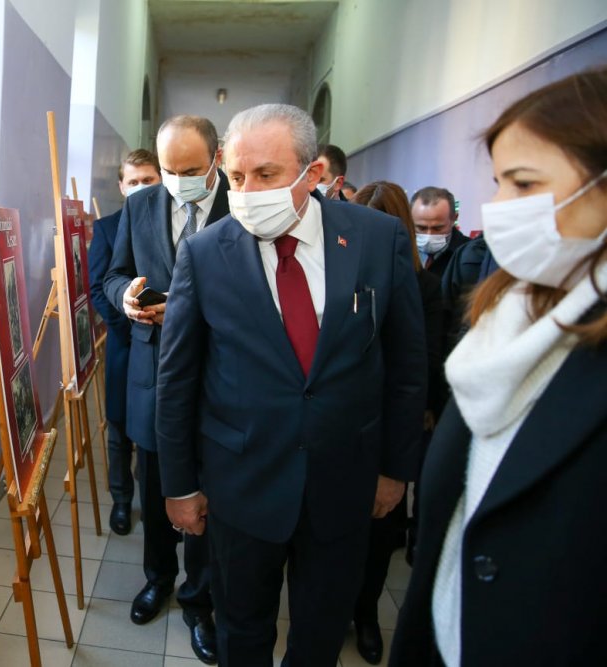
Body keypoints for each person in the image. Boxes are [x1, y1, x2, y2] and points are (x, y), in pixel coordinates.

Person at [157, 103, 426, 667]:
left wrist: (396, 469)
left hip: (344, 479)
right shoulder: (205, 254)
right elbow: (178, 377)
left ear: (314, 172)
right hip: (242, 483)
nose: (247, 191)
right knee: (242, 631)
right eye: (235, 177)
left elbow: (405, 365)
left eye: (266, 174)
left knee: (319, 634)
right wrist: (180, 485)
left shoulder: (377, 239)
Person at [390, 68, 607, 667]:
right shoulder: (509, 315)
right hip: (446, 626)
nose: (499, 207)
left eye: (524, 183)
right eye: (498, 183)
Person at [104, 115, 230, 664]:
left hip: (220, 377)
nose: (179, 181)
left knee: (206, 491)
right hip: (151, 373)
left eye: (192, 170)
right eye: (170, 170)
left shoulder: (241, 207)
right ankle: (157, 577)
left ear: (217, 159)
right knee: (156, 485)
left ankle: (199, 599)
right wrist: (126, 297)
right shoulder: (139, 207)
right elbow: (113, 274)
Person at [349, 181, 444, 664]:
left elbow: (419, 366)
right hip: (340, 432)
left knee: (380, 533)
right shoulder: (337, 276)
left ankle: (366, 614)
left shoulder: (421, 285)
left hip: (388, 428)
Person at [88, 148, 161, 536]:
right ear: (121, 186)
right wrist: (130, 326)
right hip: (124, 343)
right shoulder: (106, 229)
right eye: (132, 182)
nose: (140, 188)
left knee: (153, 428)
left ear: (161, 180)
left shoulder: (173, 226)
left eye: (147, 180)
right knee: (118, 428)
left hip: (165, 344)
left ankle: (153, 499)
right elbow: (99, 287)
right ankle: (121, 499)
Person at [410, 186, 469, 278]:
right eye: (421, 228)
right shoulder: (400, 251)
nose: (428, 235)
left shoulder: (469, 253)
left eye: (437, 228)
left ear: (454, 218)